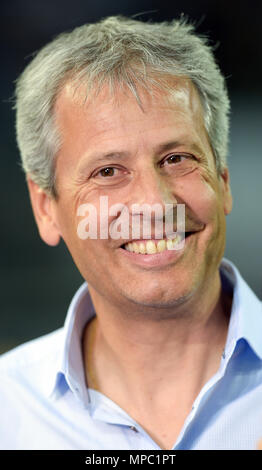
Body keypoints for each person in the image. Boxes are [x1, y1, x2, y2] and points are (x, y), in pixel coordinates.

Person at [1, 15, 261, 451]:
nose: (155, 204)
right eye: (107, 171)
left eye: (177, 158)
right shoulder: (7, 411)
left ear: (223, 179)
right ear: (46, 207)